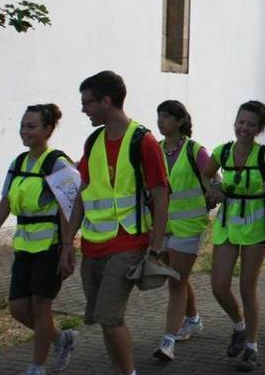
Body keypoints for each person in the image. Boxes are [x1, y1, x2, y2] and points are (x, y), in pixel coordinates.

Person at [59, 71, 170, 375]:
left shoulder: (143, 141)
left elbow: (161, 195)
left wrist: (156, 249)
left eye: (88, 102)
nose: (83, 109)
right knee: (101, 318)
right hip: (94, 245)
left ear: (107, 101)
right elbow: (83, 192)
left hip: (129, 243)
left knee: (110, 316)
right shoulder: (93, 140)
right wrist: (69, 242)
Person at [0, 104, 78, 375]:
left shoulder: (57, 163)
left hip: (50, 247)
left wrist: (68, 247)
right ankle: (61, 339)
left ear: (48, 129)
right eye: (23, 125)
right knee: (19, 309)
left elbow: (71, 208)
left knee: (41, 307)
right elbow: (5, 204)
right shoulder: (18, 163)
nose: (24, 131)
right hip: (24, 246)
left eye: (31, 127)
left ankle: (37, 367)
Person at [204, 100, 265, 371]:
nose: (244, 128)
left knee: (247, 288)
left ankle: (251, 346)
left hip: (255, 227)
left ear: (260, 128)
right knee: (218, 286)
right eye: (241, 122)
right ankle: (239, 326)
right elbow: (204, 175)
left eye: (251, 124)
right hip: (227, 225)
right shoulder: (222, 151)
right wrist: (213, 187)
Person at [152, 100, 210, 362]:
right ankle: (193, 319)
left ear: (179, 121)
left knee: (176, 281)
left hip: (189, 226)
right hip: (162, 226)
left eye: (166, 116)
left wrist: (214, 190)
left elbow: (212, 179)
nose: (161, 121)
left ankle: (168, 341)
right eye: (159, 116)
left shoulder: (195, 151)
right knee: (176, 278)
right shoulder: (154, 150)